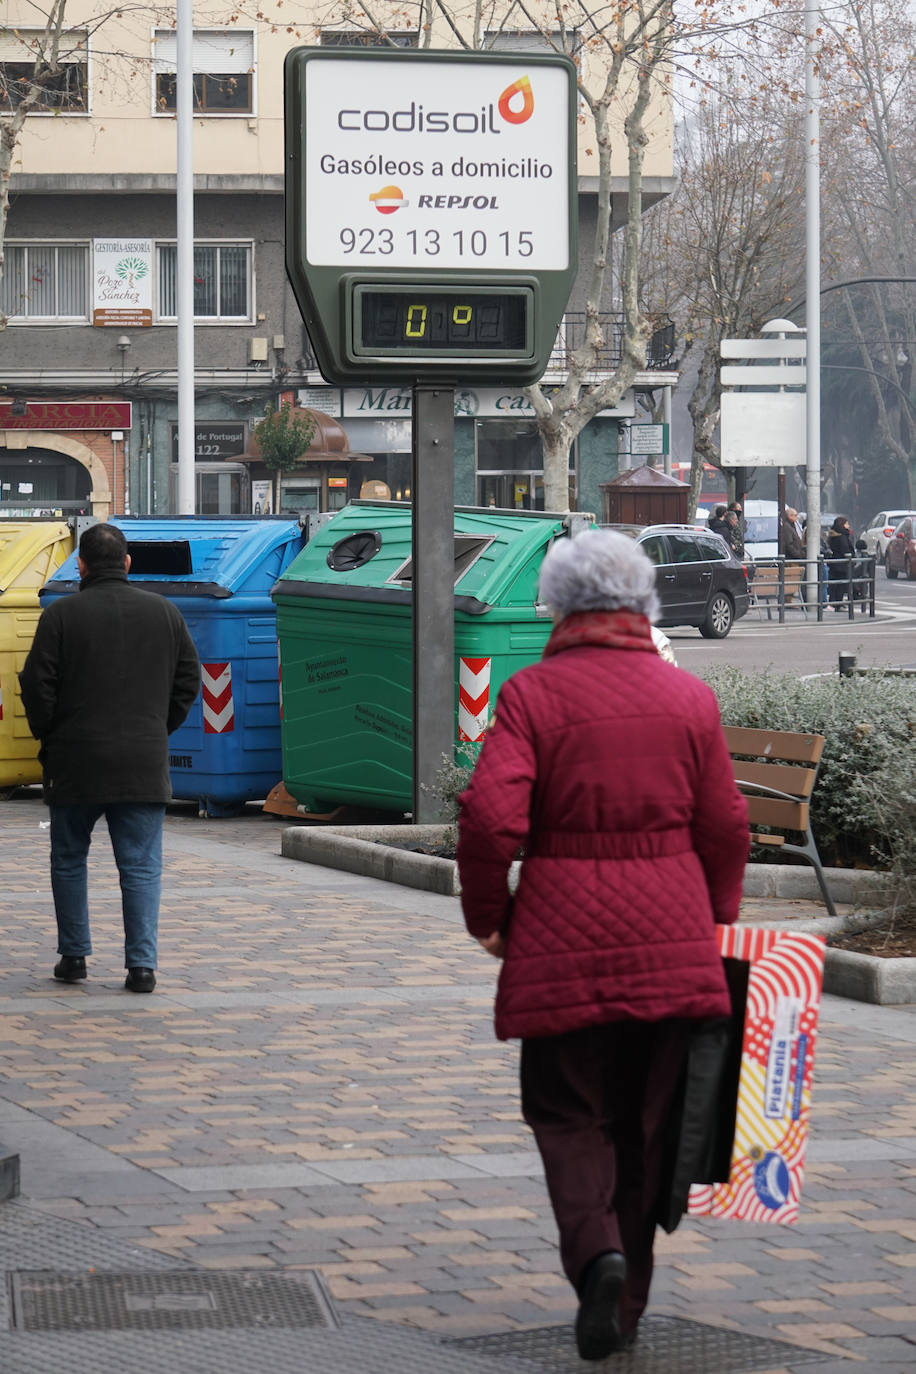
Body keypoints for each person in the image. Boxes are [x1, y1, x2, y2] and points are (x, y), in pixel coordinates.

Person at [456, 529, 749, 1361]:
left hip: (560, 940)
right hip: (673, 941)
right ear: (643, 599)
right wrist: (715, 916)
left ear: (556, 602)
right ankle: (623, 1308)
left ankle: (597, 1256)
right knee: (647, 1129)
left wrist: (489, 916)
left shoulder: (533, 696)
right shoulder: (687, 698)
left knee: (566, 1110)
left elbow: (489, 820)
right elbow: (727, 825)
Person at [19, 522, 200, 994]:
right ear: (127, 563)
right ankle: (142, 967)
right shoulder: (165, 614)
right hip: (142, 761)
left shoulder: (61, 616)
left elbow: (36, 684)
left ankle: (74, 957)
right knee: (140, 865)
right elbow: (188, 683)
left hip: (74, 760)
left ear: (80, 565)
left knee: (69, 858)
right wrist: (157, 730)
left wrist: (51, 737)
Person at [826, 515, 856, 609]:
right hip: (842, 564)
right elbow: (845, 549)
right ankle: (838, 603)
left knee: (835, 584)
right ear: (842, 525)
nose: (848, 525)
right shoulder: (842, 536)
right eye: (846, 524)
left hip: (835, 563)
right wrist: (851, 557)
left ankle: (834, 602)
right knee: (841, 584)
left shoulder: (833, 535)